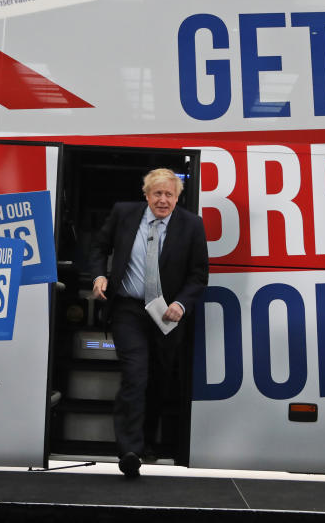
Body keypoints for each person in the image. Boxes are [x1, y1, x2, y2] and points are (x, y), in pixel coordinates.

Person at [88, 168, 209, 478]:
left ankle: (146, 441)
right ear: (146, 195)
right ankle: (129, 449)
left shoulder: (192, 225)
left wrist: (181, 304)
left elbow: (198, 274)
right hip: (129, 309)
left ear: (178, 197)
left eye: (169, 194)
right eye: (157, 193)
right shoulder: (124, 213)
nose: (163, 200)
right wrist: (100, 274)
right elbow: (99, 247)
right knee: (135, 374)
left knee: (158, 379)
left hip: (167, 314)